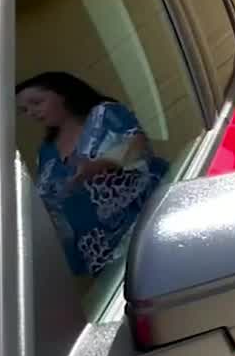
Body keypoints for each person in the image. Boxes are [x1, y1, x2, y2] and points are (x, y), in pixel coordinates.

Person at [15, 71, 169, 279]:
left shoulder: (103, 114)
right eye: (25, 110)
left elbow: (137, 145)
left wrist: (103, 163)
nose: (32, 113)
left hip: (150, 231)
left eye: (36, 102)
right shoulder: (46, 152)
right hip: (106, 261)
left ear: (61, 93)